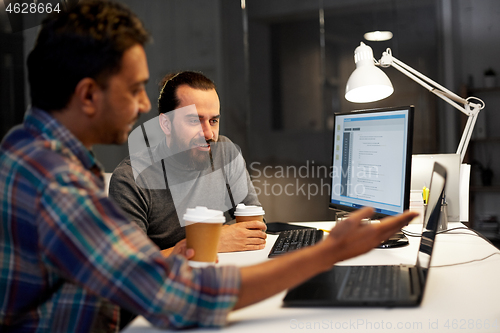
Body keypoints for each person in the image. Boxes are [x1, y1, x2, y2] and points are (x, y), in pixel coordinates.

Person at [0, 1, 418, 332]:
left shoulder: (37, 154)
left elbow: (143, 270)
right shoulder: (55, 182)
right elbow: (175, 296)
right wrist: (328, 253)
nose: (144, 105)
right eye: (133, 90)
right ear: (88, 95)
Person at [109, 71, 267, 256]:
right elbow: (128, 266)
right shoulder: (130, 178)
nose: (208, 134)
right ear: (166, 124)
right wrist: (209, 242)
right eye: (194, 120)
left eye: (213, 120)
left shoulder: (225, 152)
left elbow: (255, 228)